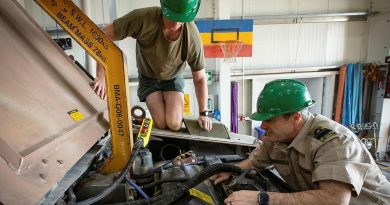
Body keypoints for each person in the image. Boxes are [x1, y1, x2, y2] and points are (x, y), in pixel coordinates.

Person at [210, 79, 390, 205]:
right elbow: (254, 162)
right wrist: (230, 171)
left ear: (296, 117)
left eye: (270, 120)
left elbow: (334, 200)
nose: (263, 126)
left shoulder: (335, 143)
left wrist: (262, 198)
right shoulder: (277, 138)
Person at [92, 0, 212, 132]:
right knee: (161, 123)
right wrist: (101, 75)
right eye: (173, 17)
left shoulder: (192, 37)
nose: (177, 23)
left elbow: (200, 78)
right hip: (148, 77)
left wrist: (203, 113)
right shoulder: (143, 19)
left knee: (174, 124)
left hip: (173, 78)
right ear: (164, 9)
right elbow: (103, 34)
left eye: (182, 20)